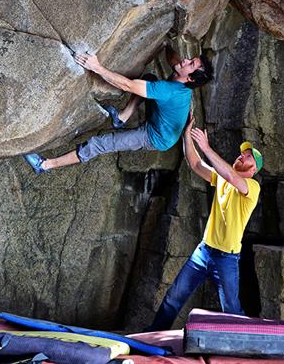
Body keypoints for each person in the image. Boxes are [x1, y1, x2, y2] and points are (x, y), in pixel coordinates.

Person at [146, 117, 263, 331]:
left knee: (232, 310)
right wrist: (187, 136)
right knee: (174, 297)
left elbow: (229, 174)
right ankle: (154, 334)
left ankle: (245, 342)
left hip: (227, 257)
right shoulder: (221, 179)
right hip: (203, 251)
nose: (242, 155)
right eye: (243, 153)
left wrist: (206, 147)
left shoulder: (252, 187)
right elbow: (195, 164)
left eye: (248, 157)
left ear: (253, 170)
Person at [23, 51, 213, 173]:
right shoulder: (183, 79)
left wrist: (96, 67)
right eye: (190, 58)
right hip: (163, 120)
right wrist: (169, 43)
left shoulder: (169, 91)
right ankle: (121, 118)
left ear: (189, 78)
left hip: (155, 137)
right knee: (148, 78)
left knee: (101, 144)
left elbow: (128, 85)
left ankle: (45, 165)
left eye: (190, 63)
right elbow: (174, 59)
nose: (185, 60)